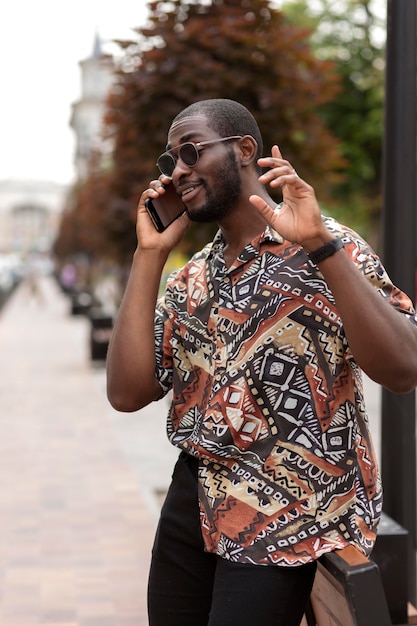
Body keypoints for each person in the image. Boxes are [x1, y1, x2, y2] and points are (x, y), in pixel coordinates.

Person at [106, 99, 417, 626]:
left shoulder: (327, 247)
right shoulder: (192, 279)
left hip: (286, 516)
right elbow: (127, 392)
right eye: (170, 161)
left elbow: (404, 368)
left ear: (244, 150)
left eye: (190, 151)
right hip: (193, 503)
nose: (178, 170)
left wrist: (320, 245)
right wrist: (149, 255)